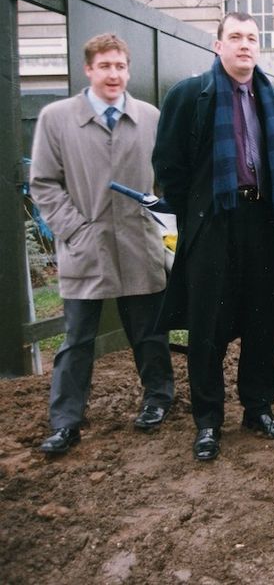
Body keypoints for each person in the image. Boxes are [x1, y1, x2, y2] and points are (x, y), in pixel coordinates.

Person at [153, 12, 274, 461]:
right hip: (214, 221)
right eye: (235, 37)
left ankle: (259, 409)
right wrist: (196, 209)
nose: (244, 45)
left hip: (262, 220)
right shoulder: (189, 94)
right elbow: (169, 167)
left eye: (252, 38)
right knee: (207, 325)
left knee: (262, 321)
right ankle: (208, 422)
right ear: (218, 46)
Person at [30, 33, 174, 454]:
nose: (114, 74)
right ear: (88, 69)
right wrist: (75, 231)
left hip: (138, 243)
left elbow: (166, 174)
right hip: (85, 246)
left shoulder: (150, 116)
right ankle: (66, 421)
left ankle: (158, 399)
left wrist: (161, 213)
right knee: (77, 339)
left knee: (149, 332)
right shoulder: (56, 118)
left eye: (121, 66)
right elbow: (43, 183)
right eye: (105, 66)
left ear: (129, 71)